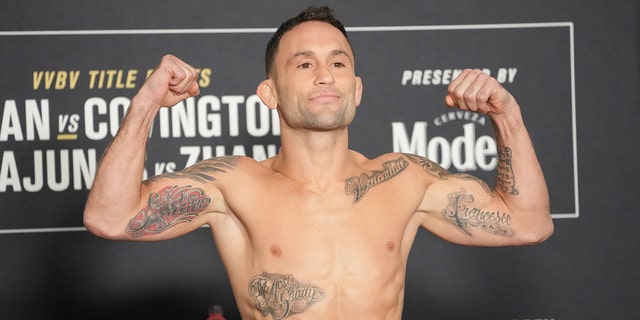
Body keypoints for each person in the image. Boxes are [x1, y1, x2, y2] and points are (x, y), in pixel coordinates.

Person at [83, 6, 553, 320]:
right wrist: (145, 104)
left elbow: (528, 223)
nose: (325, 74)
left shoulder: (404, 180)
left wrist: (506, 115)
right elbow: (110, 216)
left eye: (339, 63)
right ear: (269, 93)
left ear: (358, 89)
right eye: (304, 64)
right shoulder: (235, 185)